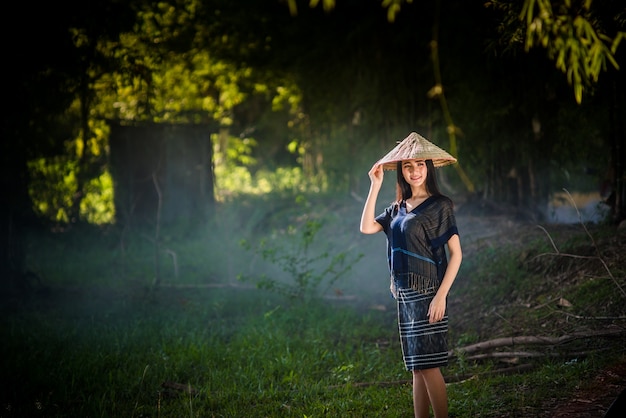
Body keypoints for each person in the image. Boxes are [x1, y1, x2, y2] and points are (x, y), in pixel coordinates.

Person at [360, 132, 462, 418]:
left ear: (428, 168)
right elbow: (367, 227)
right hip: (405, 294)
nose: (414, 171)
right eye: (408, 166)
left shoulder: (440, 205)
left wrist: (441, 296)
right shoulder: (397, 209)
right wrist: (375, 184)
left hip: (429, 293)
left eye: (419, 165)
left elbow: (457, 254)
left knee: (429, 365)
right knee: (417, 367)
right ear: (402, 172)